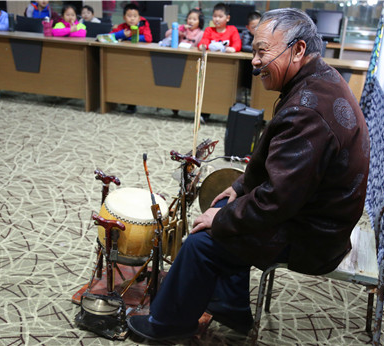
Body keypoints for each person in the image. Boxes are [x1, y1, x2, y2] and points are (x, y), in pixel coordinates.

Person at [127, 7, 370, 342]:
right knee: (224, 203)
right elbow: (284, 166)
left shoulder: (308, 112)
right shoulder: (320, 79)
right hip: (316, 214)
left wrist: (221, 220)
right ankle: (230, 304)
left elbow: (277, 200)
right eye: (253, 50)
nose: (254, 61)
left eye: (262, 52)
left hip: (315, 236)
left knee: (202, 241)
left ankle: (166, 327)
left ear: (298, 49)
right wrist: (239, 188)